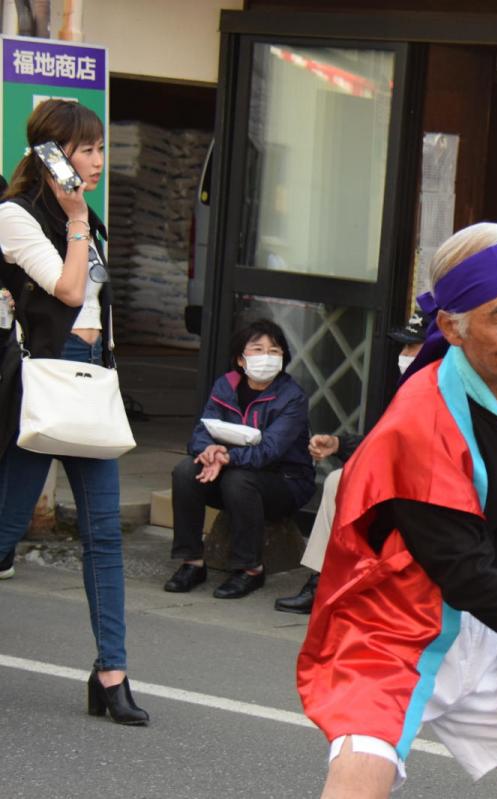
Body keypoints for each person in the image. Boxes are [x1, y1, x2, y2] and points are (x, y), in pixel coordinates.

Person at [296, 222, 497, 798]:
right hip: (397, 631)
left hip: (492, 633)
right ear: (451, 327)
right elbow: (465, 573)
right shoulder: (420, 423)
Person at [0, 99, 148, 724]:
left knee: (103, 534)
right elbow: (66, 290)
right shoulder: (16, 214)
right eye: (86, 149)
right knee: (6, 530)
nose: (98, 160)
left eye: (101, 148)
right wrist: (78, 220)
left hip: (89, 379)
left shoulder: (85, 219)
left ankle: (111, 674)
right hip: (41, 379)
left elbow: (97, 309)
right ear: (49, 154)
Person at [274, 310, 428, 614]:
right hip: (398, 477)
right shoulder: (410, 387)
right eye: (404, 346)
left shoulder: (440, 390)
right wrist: (339, 444)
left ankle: (329, 581)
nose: (404, 354)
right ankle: (321, 580)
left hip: (428, 488)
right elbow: (383, 442)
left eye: (413, 346)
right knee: (339, 480)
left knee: (343, 481)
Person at [164, 319, 315, 599]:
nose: (267, 357)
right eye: (258, 349)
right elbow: (202, 431)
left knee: (239, 480)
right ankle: (192, 562)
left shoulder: (292, 397)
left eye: (274, 351)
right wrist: (208, 451)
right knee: (185, 471)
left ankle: (250, 569)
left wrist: (226, 458)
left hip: (285, 482)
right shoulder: (226, 386)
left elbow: (270, 449)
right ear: (240, 359)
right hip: (229, 471)